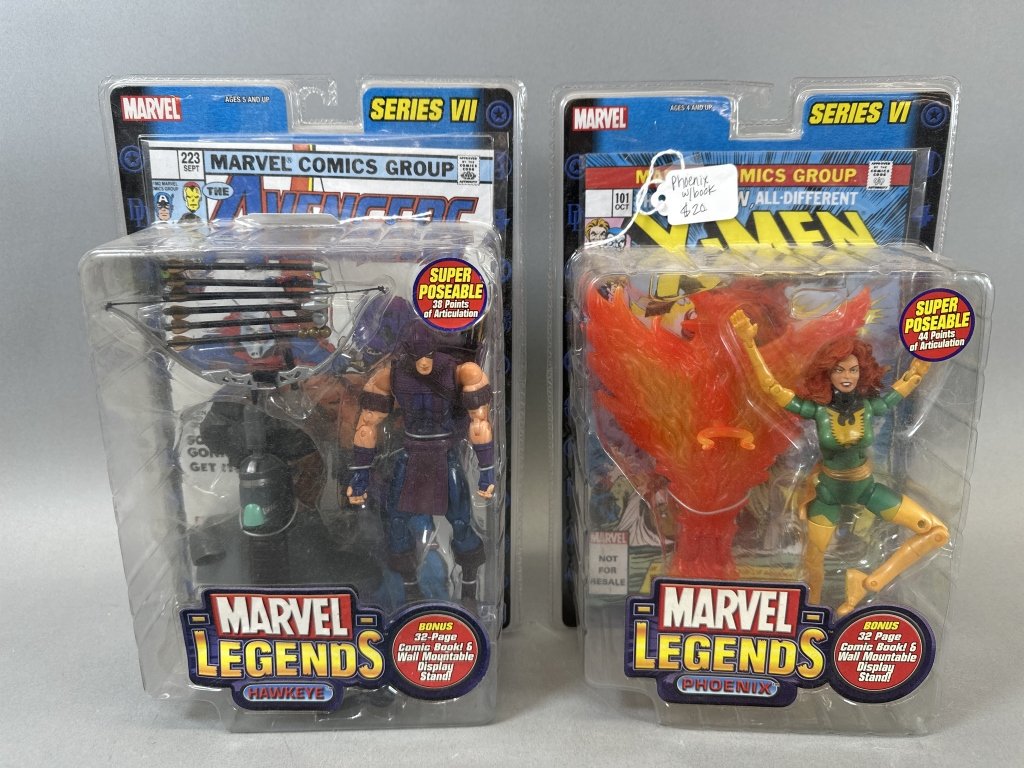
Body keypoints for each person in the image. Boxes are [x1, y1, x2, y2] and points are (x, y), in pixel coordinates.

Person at [731, 310, 948, 616]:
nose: (847, 376)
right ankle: (813, 611)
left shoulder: (870, 407)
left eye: (853, 370)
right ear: (828, 374)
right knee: (813, 559)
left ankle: (869, 583)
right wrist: (748, 343)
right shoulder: (818, 411)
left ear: (862, 372)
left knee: (936, 531)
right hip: (828, 494)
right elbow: (771, 388)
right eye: (839, 370)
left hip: (866, 489)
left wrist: (923, 362)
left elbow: (906, 384)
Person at [346, 323, 493, 602]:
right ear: (406, 354)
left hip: (445, 454)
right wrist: (360, 474)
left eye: (428, 355)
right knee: (397, 521)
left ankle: (469, 589)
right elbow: (366, 425)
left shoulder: (460, 371)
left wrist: (486, 470)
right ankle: (411, 589)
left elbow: (480, 422)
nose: (424, 363)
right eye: (417, 356)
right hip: (411, 454)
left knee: (461, 522)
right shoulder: (391, 375)